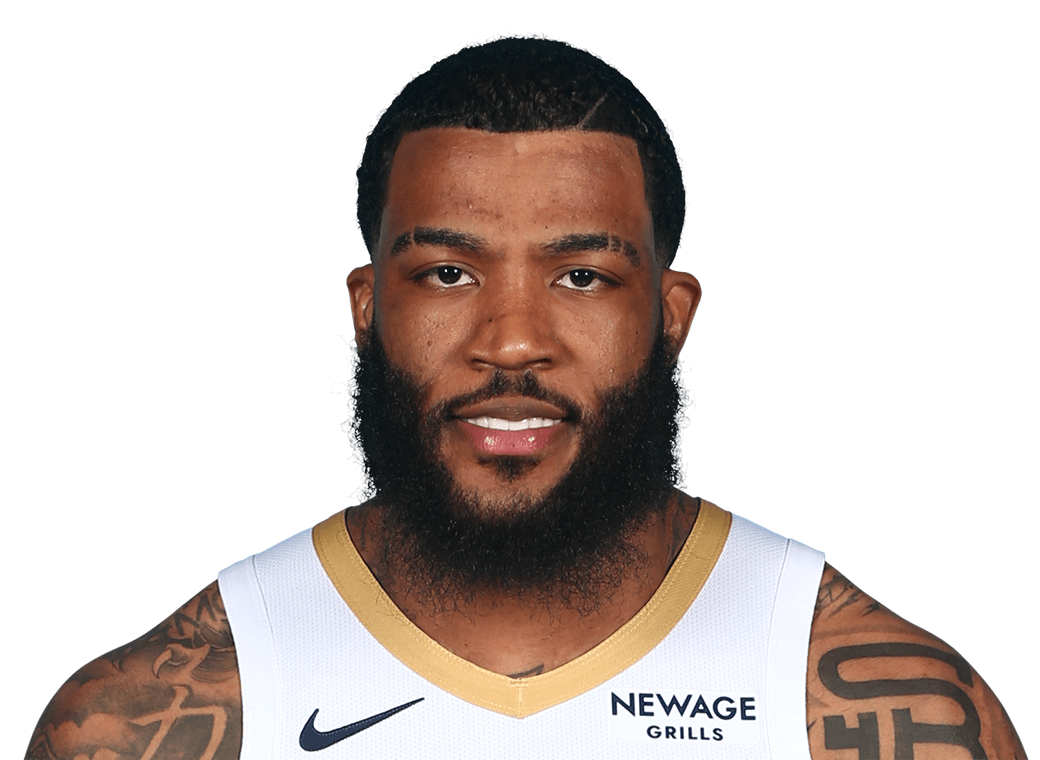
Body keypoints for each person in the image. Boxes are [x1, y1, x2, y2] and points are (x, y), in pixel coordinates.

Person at [26, 35, 1026, 760]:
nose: (511, 340)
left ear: (670, 317)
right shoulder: (156, 719)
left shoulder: (869, 713)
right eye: (448, 274)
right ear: (367, 310)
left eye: (581, 276)